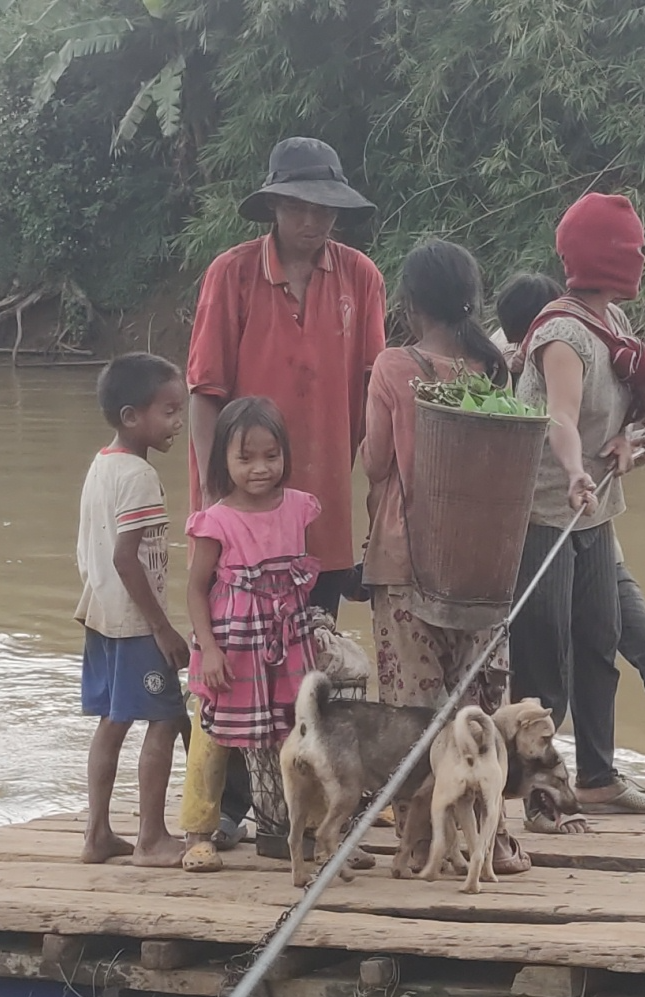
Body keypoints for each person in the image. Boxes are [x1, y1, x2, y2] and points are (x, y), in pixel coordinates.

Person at [183, 136, 385, 857]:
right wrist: (210, 501)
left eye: (327, 208)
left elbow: (372, 392)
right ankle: (229, 808)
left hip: (318, 514)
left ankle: (299, 808)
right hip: (239, 518)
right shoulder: (231, 276)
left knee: (307, 672)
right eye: (302, 206)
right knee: (233, 666)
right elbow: (206, 393)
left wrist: (374, 493)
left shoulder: (360, 278)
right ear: (274, 205)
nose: (316, 221)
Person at [494, 274, 645, 791]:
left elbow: (622, 433)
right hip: (548, 534)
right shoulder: (510, 363)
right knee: (547, 666)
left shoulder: (603, 338)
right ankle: (529, 785)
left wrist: (641, 440)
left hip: (599, 535)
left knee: (644, 647)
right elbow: (550, 428)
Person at [510, 193, 645, 820]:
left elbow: (633, 420)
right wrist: (576, 469)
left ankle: (598, 776)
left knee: (598, 642)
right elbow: (558, 417)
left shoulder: (618, 330)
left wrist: (631, 444)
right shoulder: (562, 334)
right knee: (542, 656)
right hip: (545, 513)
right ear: (608, 258)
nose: (641, 258)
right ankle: (536, 793)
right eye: (633, 249)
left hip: (596, 511)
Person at [361, 240, 530, 872]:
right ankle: (494, 842)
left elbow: (376, 462)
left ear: (408, 303)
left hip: (408, 562)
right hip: (482, 566)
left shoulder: (393, 367)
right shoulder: (495, 371)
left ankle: (415, 848)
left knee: (414, 713)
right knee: (479, 709)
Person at [186, 397, 371, 870]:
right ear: (223, 461)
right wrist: (208, 648)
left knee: (297, 732)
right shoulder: (216, 520)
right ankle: (198, 831)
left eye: (271, 456)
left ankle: (310, 831)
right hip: (230, 645)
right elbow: (194, 588)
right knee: (214, 735)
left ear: (285, 453)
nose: (260, 468)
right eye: (244, 458)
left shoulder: (298, 509)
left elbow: (294, 582)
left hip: (286, 644)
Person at [74, 353, 192, 867]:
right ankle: (151, 839)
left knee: (112, 722)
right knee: (164, 720)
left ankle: (97, 833)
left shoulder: (102, 466)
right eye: (168, 411)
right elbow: (128, 558)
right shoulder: (140, 476)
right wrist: (163, 629)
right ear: (131, 417)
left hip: (100, 614)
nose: (178, 422)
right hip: (135, 624)